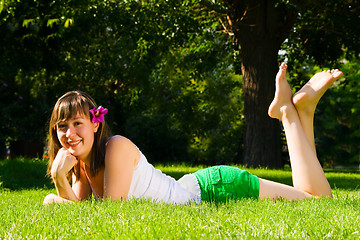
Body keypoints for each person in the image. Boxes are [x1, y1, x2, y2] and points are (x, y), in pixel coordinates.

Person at [43, 63, 343, 205]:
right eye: (62, 127)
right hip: (195, 187)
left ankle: (288, 114)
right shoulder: (80, 166)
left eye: (77, 124)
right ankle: (305, 111)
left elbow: (111, 214)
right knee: (313, 196)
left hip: (216, 189)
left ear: (96, 124)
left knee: (318, 200)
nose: (69, 133)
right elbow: (79, 218)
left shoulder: (116, 147)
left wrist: (58, 187)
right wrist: (61, 180)